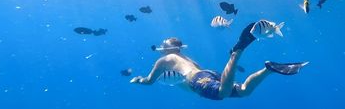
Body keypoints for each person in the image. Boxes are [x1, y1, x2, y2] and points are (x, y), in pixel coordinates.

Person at [130, 23, 308, 100]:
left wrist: (138, 80)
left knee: (222, 93)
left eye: (164, 45)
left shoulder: (165, 59)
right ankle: (268, 69)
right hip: (206, 74)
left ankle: (236, 53)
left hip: (197, 79)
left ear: (169, 48)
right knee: (244, 91)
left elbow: (149, 81)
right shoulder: (185, 57)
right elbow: (199, 71)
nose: (162, 47)